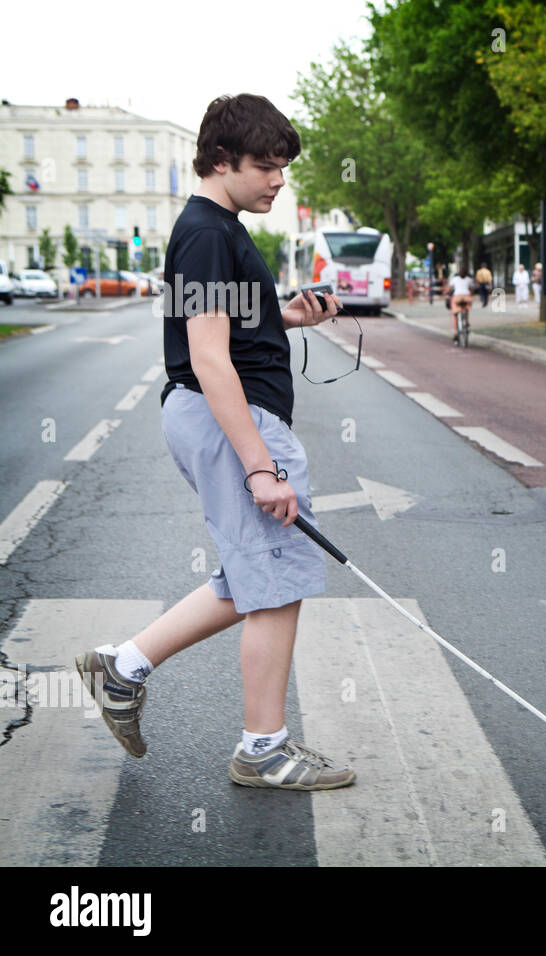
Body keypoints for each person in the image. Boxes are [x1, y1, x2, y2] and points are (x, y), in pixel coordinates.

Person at [73, 93, 355, 791]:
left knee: (255, 573)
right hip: (235, 421)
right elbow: (206, 356)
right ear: (221, 160)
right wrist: (261, 468)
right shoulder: (205, 232)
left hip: (228, 415)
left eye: (284, 167)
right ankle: (263, 749)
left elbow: (225, 331)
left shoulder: (218, 227)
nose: (279, 180)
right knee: (276, 582)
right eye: (266, 166)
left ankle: (124, 665)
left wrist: (280, 316)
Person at [448, 264, 476, 344]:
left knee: (454, 313)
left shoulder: (455, 279)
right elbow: (472, 289)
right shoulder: (469, 279)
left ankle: (456, 332)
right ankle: (466, 322)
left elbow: (449, 289)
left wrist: (446, 293)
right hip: (467, 297)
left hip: (457, 297)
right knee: (466, 308)